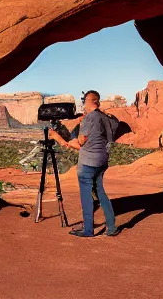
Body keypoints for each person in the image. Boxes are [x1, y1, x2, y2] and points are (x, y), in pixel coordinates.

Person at [49, 90, 126, 237]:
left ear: (91, 101)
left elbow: (80, 142)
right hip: (102, 160)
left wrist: (58, 138)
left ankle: (88, 230)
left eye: (84, 101)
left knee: (86, 196)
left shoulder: (90, 118)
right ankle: (111, 227)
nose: (83, 104)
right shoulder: (105, 118)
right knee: (100, 193)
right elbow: (108, 131)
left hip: (88, 163)